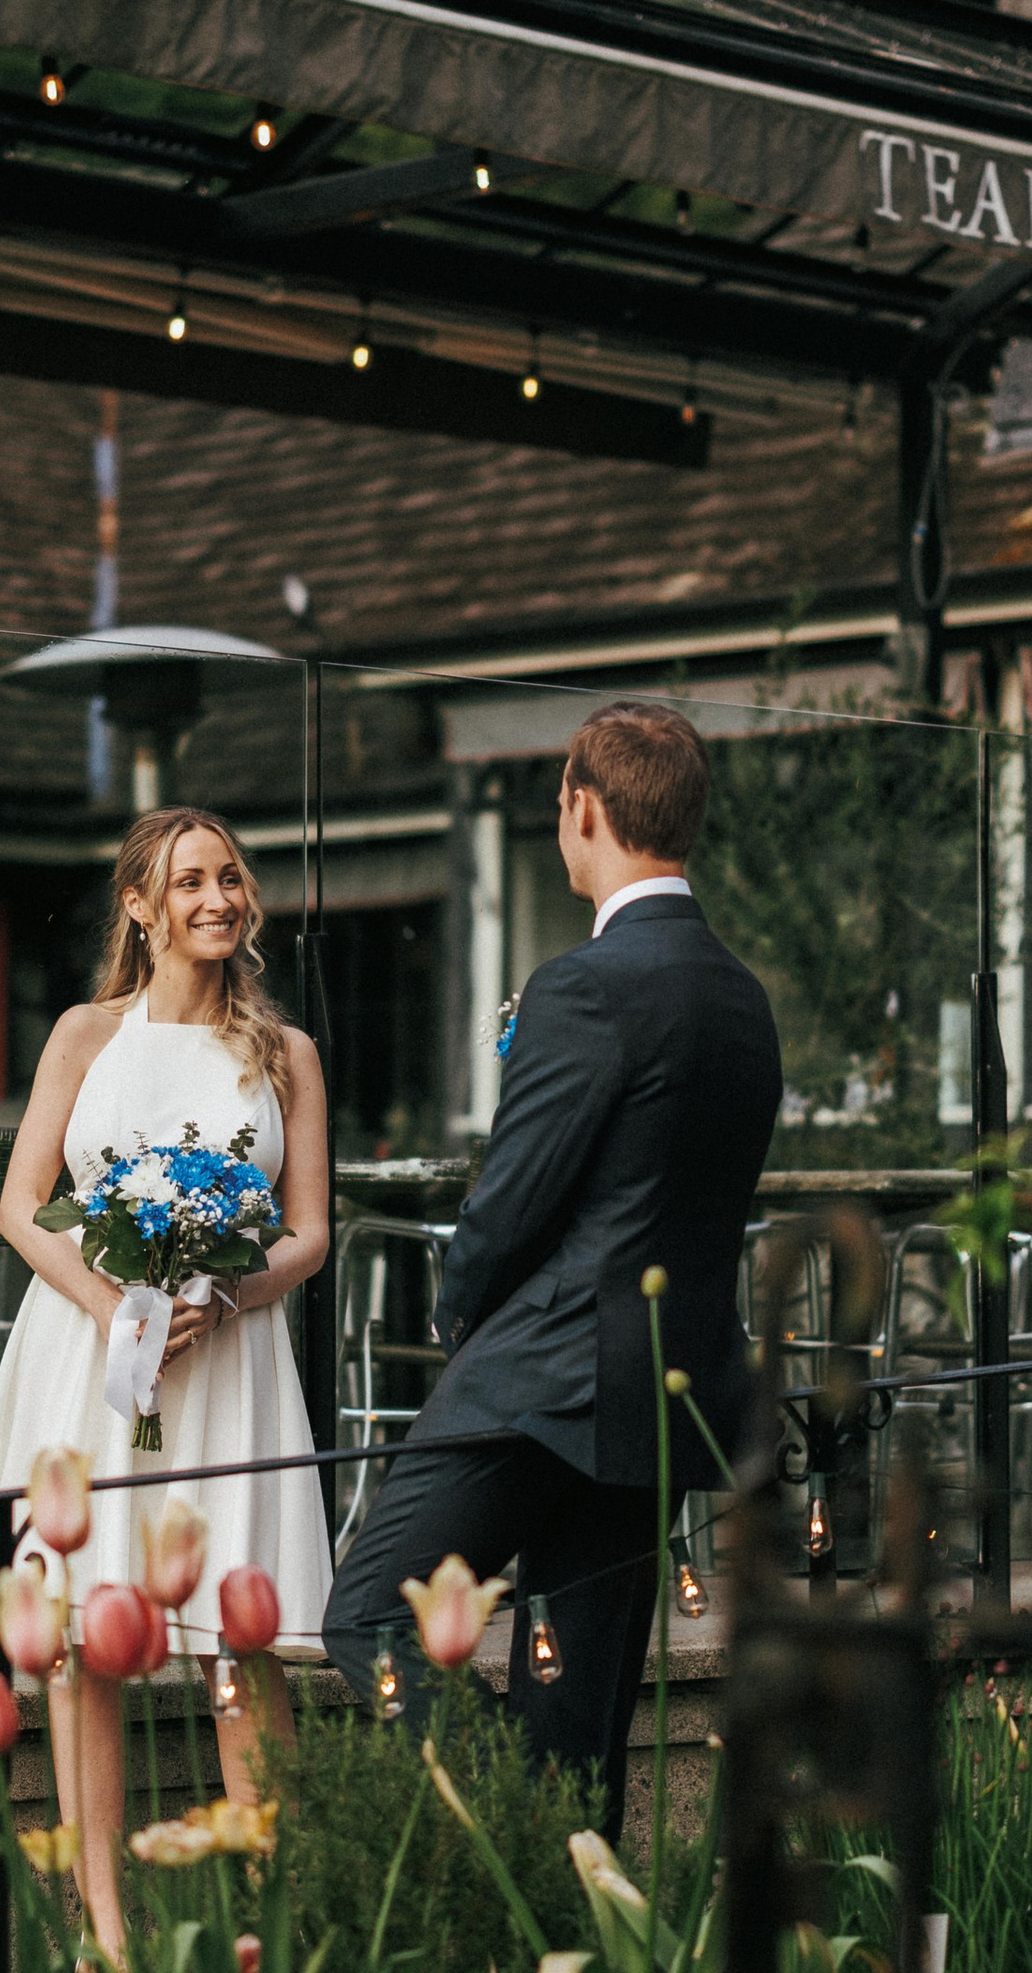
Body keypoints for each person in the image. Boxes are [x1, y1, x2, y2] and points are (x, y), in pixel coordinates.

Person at [323, 700, 782, 1842]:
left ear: (583, 806)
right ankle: (568, 1955)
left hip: (539, 1384)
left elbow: (510, 1200)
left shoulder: (585, 983)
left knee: (371, 1615)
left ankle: (511, 1830)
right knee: (577, 1708)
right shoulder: (743, 997)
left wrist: (458, 1317)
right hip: (659, 1401)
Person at [0, 809, 332, 1960]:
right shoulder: (83, 1035)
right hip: (86, 1354)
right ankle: (105, 1927)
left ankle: (273, 1920)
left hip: (230, 1362)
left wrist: (224, 1294)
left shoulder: (286, 1053)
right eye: (190, 881)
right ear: (140, 907)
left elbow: (310, 1231)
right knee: (77, 1638)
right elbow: (20, 1207)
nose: (218, 897)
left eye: (229, 877)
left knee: (238, 1641)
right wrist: (117, 1305)